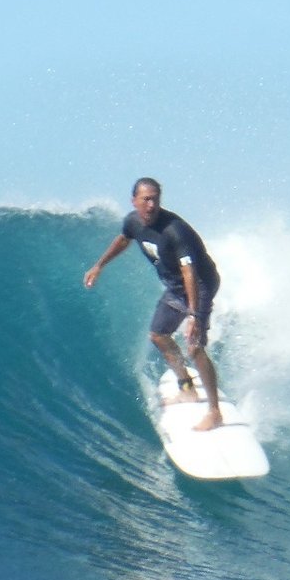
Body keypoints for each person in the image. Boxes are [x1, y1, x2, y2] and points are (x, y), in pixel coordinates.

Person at [84, 177, 225, 430]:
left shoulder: (175, 230)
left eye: (155, 200)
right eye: (146, 199)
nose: (151, 205)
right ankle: (187, 387)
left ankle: (215, 412)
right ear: (134, 201)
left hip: (200, 284)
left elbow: (189, 272)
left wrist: (193, 315)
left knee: (194, 347)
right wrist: (99, 265)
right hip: (176, 286)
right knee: (159, 335)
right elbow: (124, 239)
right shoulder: (133, 222)